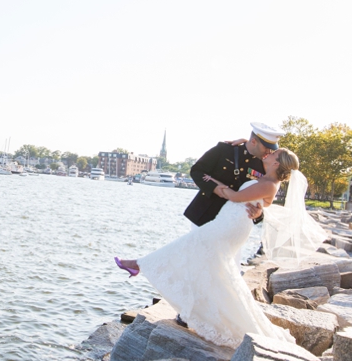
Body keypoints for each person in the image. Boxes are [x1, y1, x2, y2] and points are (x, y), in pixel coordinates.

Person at [113, 148, 302, 349]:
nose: (269, 154)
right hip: (228, 222)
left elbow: (236, 197)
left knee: (191, 245)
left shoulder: (271, 184)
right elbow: (265, 203)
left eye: (274, 154)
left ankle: (139, 265)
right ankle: (195, 310)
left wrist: (215, 185)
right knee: (212, 267)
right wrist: (258, 208)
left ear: (276, 163)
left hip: (230, 226)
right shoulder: (266, 180)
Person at [184, 122, 285, 228]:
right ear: (254, 141)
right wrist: (214, 188)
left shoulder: (264, 166)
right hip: (206, 215)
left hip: (233, 225)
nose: (269, 152)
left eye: (271, 149)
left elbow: (263, 199)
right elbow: (197, 170)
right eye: (266, 147)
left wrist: (259, 214)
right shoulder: (225, 150)